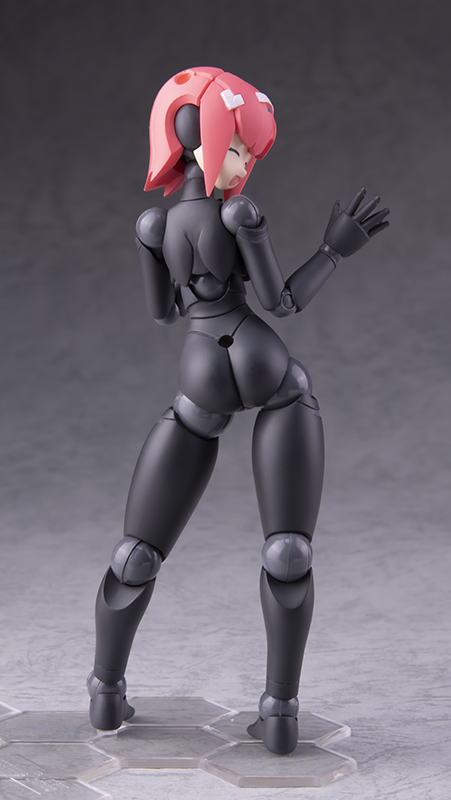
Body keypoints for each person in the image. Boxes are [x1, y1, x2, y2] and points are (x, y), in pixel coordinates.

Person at [87, 66, 389, 754]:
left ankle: (105, 693)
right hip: (262, 362)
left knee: (137, 551)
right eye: (239, 145)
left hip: (198, 368)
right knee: (287, 548)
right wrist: (333, 250)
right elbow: (282, 301)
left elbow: (163, 314)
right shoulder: (238, 213)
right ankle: (278, 712)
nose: (245, 161)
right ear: (202, 139)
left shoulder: (153, 225)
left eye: (250, 150)